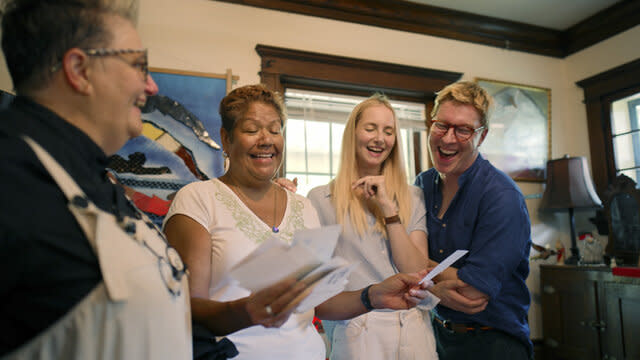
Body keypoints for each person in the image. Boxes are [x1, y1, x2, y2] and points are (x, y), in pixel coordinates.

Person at [163, 84, 432, 360]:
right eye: (252, 130)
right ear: (226, 138)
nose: (266, 139)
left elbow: (320, 303)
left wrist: (373, 295)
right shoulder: (198, 200)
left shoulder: (303, 207)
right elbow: (187, 308)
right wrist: (247, 310)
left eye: (275, 129)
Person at [0, 0, 193, 358]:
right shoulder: (11, 181)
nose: (151, 86)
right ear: (80, 70)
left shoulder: (96, 181)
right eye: (139, 66)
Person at [306, 94, 439, 360]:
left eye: (388, 131)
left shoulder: (412, 196)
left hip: (414, 331)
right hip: (357, 333)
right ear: (353, 133)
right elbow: (316, 296)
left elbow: (416, 271)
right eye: (371, 128)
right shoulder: (320, 199)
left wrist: (389, 211)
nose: (380, 138)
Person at [414, 81, 532, 359]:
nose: (448, 138)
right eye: (441, 125)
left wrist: (419, 271)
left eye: (463, 129)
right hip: (437, 336)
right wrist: (439, 285)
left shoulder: (502, 196)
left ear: (482, 136)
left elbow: (471, 292)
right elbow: (398, 257)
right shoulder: (422, 183)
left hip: (493, 343)